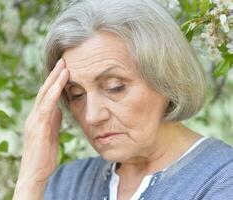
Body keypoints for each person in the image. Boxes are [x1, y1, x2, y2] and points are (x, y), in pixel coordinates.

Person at [12, 0, 233, 199]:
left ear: (167, 78)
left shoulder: (221, 181)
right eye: (76, 95)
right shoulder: (66, 184)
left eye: (114, 87)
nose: (92, 116)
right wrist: (30, 181)